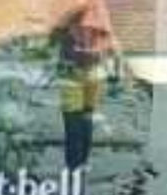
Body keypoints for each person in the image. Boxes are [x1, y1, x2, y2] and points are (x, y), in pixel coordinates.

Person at [50, 0, 117, 169]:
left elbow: (55, 32)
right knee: (82, 118)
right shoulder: (97, 6)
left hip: (78, 69)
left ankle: (76, 167)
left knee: (77, 119)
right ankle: (79, 166)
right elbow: (107, 36)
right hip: (88, 68)